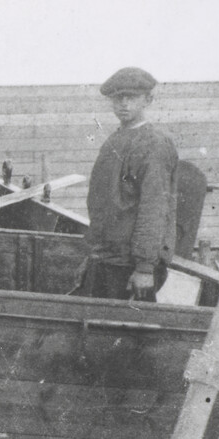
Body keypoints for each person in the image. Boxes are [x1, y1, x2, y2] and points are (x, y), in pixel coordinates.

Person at [82, 66, 180, 300]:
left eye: (132, 97)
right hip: (106, 260)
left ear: (148, 100)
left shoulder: (153, 144)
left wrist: (145, 268)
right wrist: (92, 256)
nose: (124, 104)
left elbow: (154, 209)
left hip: (131, 267)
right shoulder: (114, 141)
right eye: (118, 98)